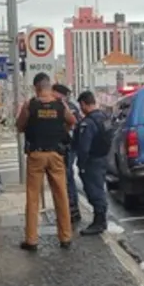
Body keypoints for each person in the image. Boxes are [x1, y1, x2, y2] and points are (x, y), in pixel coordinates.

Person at [16, 72, 76, 250]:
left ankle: (32, 240)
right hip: (56, 154)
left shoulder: (30, 105)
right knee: (61, 195)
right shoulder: (60, 104)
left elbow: (19, 126)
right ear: (49, 87)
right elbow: (72, 121)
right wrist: (61, 129)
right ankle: (65, 237)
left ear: (36, 88)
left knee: (33, 197)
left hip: (36, 155)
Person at [74, 91, 111, 235]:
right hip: (103, 157)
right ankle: (100, 219)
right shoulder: (104, 117)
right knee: (99, 188)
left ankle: (99, 221)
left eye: (80, 105)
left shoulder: (87, 123)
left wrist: (81, 165)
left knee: (94, 191)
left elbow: (84, 147)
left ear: (83, 104)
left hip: (92, 161)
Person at [52, 83, 83, 224]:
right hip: (64, 146)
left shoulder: (68, 107)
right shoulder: (65, 106)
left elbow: (72, 126)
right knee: (65, 177)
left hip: (68, 146)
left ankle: (72, 209)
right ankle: (69, 208)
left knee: (67, 176)